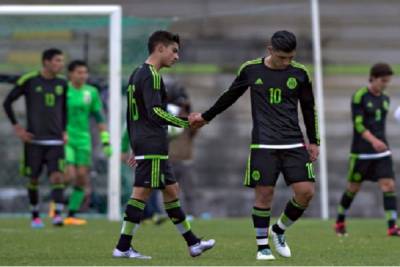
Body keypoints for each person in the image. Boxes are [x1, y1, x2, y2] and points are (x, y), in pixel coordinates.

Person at [189, 30, 319, 260]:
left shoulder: (300, 73)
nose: (286, 62)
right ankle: (262, 247)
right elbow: (230, 95)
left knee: (306, 192)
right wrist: (206, 117)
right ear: (270, 51)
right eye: (282, 57)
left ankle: (278, 230)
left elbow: (309, 108)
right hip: (263, 143)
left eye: (290, 57)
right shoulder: (251, 69)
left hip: (293, 142)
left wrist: (314, 141)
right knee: (264, 194)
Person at [112, 30, 215, 259]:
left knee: (171, 190)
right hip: (151, 142)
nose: (177, 56)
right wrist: (185, 122)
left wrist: (133, 145)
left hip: (146, 142)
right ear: (160, 48)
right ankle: (122, 246)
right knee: (141, 193)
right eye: (174, 51)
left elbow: (132, 115)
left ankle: (193, 243)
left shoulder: (138, 73)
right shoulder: (151, 76)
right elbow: (155, 112)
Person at [3, 48, 68, 228]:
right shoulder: (30, 80)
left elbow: (64, 109)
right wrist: (18, 128)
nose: (60, 64)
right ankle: (35, 216)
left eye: (61, 61)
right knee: (33, 179)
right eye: (57, 60)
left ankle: (57, 215)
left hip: (55, 140)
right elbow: (7, 102)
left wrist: (65, 130)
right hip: (34, 140)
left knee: (57, 177)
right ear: (46, 62)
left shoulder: (62, 83)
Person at [335, 63, 400, 236]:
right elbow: (358, 124)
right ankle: (340, 221)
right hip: (361, 152)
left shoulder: (385, 99)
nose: (385, 84)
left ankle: (392, 226)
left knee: (389, 185)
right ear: (373, 77)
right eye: (383, 80)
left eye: (387, 81)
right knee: (353, 188)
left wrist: (379, 143)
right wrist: (373, 141)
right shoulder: (360, 96)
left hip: (382, 151)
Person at [62, 60, 112, 225]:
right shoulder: (63, 90)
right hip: (65, 138)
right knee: (69, 175)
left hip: (83, 139)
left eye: (85, 72)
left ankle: (70, 215)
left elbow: (99, 117)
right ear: (70, 74)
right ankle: (56, 205)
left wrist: (106, 141)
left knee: (82, 178)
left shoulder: (91, 92)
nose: (83, 76)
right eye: (79, 72)